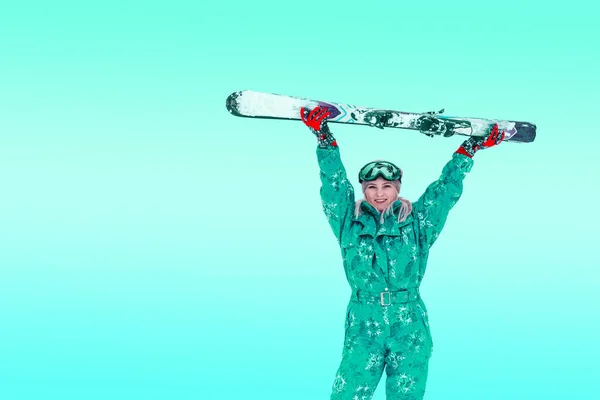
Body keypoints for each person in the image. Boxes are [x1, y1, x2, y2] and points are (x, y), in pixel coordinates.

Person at [300, 106, 504, 400]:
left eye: (386, 186)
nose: (379, 193)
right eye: (371, 186)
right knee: (346, 395)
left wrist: (468, 150)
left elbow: (444, 192)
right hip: (363, 323)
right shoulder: (348, 222)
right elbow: (333, 185)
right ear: (364, 190)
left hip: (409, 325)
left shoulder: (418, 224)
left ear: (397, 189)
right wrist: (324, 138)